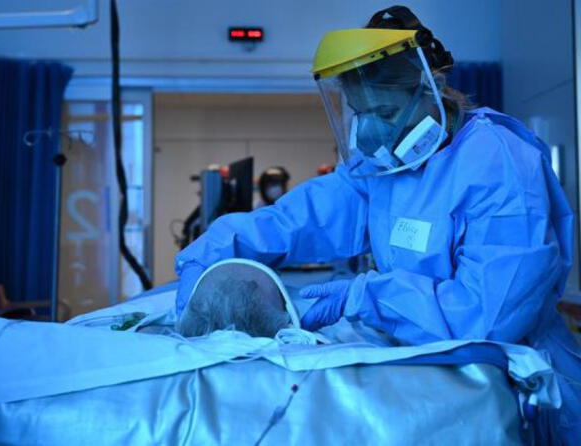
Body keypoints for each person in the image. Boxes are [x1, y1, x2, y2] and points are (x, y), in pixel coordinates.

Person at [174, 6, 581, 443]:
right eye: (359, 112)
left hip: (517, 389)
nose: (371, 133)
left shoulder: (498, 163)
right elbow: (298, 217)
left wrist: (367, 295)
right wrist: (217, 247)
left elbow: (490, 317)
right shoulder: (383, 169)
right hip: (434, 381)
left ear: (430, 90)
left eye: (385, 113)